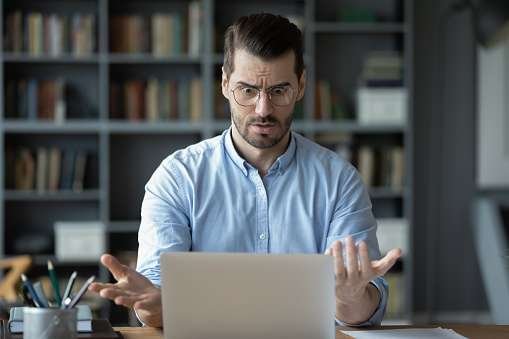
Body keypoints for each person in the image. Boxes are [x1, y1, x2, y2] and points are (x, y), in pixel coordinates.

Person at [89, 13, 401, 328]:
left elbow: (363, 313)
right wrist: (155, 305)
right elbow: (152, 303)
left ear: (301, 85)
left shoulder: (339, 181)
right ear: (224, 84)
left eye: (279, 91)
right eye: (248, 91)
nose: (263, 109)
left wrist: (349, 299)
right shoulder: (177, 177)